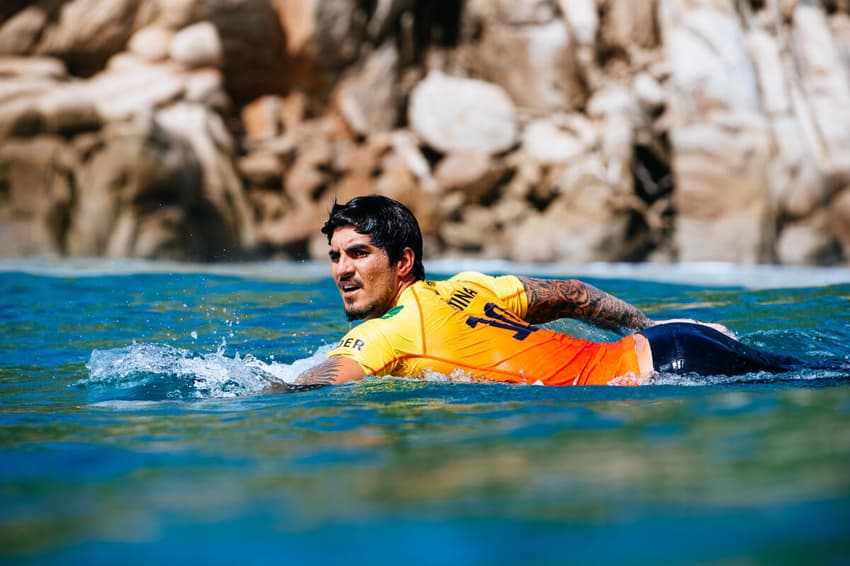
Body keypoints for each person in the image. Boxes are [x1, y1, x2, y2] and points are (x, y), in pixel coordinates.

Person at [289, 195, 840, 389]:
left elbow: (314, 389)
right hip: (675, 344)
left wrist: (255, 393)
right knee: (825, 372)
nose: (343, 270)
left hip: (665, 369)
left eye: (359, 253)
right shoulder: (470, 286)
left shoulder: (386, 332)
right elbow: (574, 294)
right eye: (335, 256)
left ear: (404, 261)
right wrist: (656, 329)